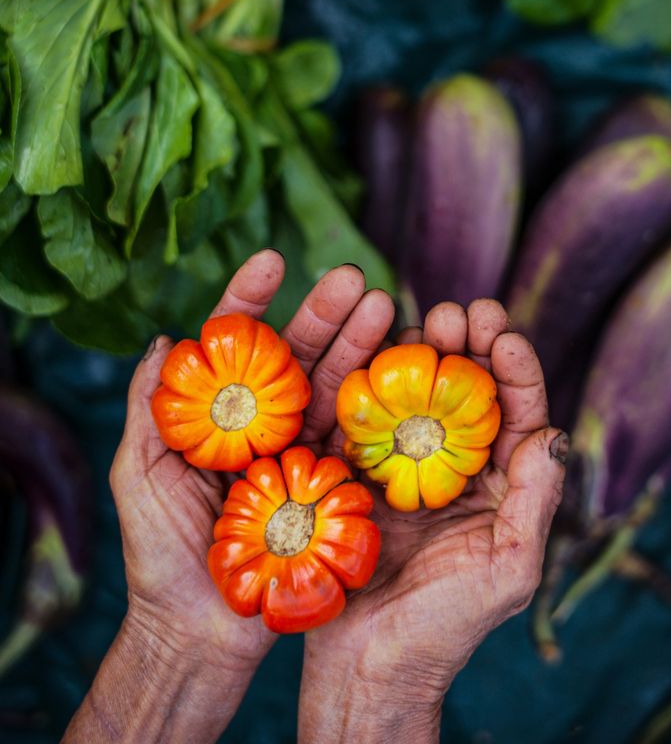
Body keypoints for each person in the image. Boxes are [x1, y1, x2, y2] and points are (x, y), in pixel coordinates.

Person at [62, 249, 567, 743]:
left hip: (308, 481)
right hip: (320, 481)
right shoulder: (300, 481)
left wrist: (176, 643)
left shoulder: (285, 479)